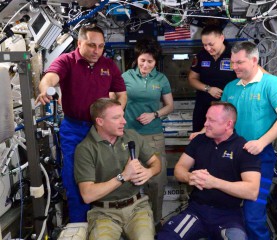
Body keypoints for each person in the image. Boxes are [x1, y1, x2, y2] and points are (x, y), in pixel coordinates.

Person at [35, 24, 127, 222]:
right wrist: (45, 89)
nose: (97, 51)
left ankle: (107, 219)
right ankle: (80, 223)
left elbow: (122, 94)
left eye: (101, 46)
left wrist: (115, 117)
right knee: (74, 176)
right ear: (79, 43)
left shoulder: (108, 65)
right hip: (74, 128)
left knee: (108, 172)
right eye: (92, 45)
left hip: (100, 128)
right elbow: (50, 78)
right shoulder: (67, 61)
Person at [220, 41, 277, 239]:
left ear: (254, 60)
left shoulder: (272, 84)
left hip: (259, 157)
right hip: (231, 155)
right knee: (225, 211)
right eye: (232, 62)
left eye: (239, 62)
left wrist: (261, 142)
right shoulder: (230, 87)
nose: (234, 67)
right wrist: (203, 132)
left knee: (253, 216)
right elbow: (221, 119)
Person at [157, 102, 261, 240]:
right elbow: (179, 168)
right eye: (206, 119)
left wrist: (214, 182)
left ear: (228, 124)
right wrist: (190, 177)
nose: (205, 124)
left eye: (211, 120)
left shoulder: (243, 148)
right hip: (197, 211)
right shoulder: (199, 141)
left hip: (228, 215)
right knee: (166, 237)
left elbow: (252, 191)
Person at [74, 98, 161, 240]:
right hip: (104, 213)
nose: (124, 121)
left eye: (123, 115)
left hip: (137, 207)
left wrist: (149, 172)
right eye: (116, 118)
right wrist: (123, 176)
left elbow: (156, 162)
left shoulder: (132, 136)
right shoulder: (85, 149)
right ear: (100, 122)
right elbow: (87, 195)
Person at [121, 37, 174, 226]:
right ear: (137, 59)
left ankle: (155, 220)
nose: (145, 65)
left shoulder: (161, 79)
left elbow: (169, 106)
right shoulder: (126, 76)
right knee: (128, 178)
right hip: (128, 135)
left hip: (153, 135)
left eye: (150, 61)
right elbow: (115, 102)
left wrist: (154, 114)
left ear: (155, 61)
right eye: (142, 60)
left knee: (157, 182)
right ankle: (129, 220)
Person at [188, 25, 237, 132]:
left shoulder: (234, 54)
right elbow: (192, 78)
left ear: (221, 38)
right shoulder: (201, 56)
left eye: (211, 44)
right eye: (205, 45)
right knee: (200, 139)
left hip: (228, 107)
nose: (208, 48)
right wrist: (208, 89)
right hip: (203, 106)